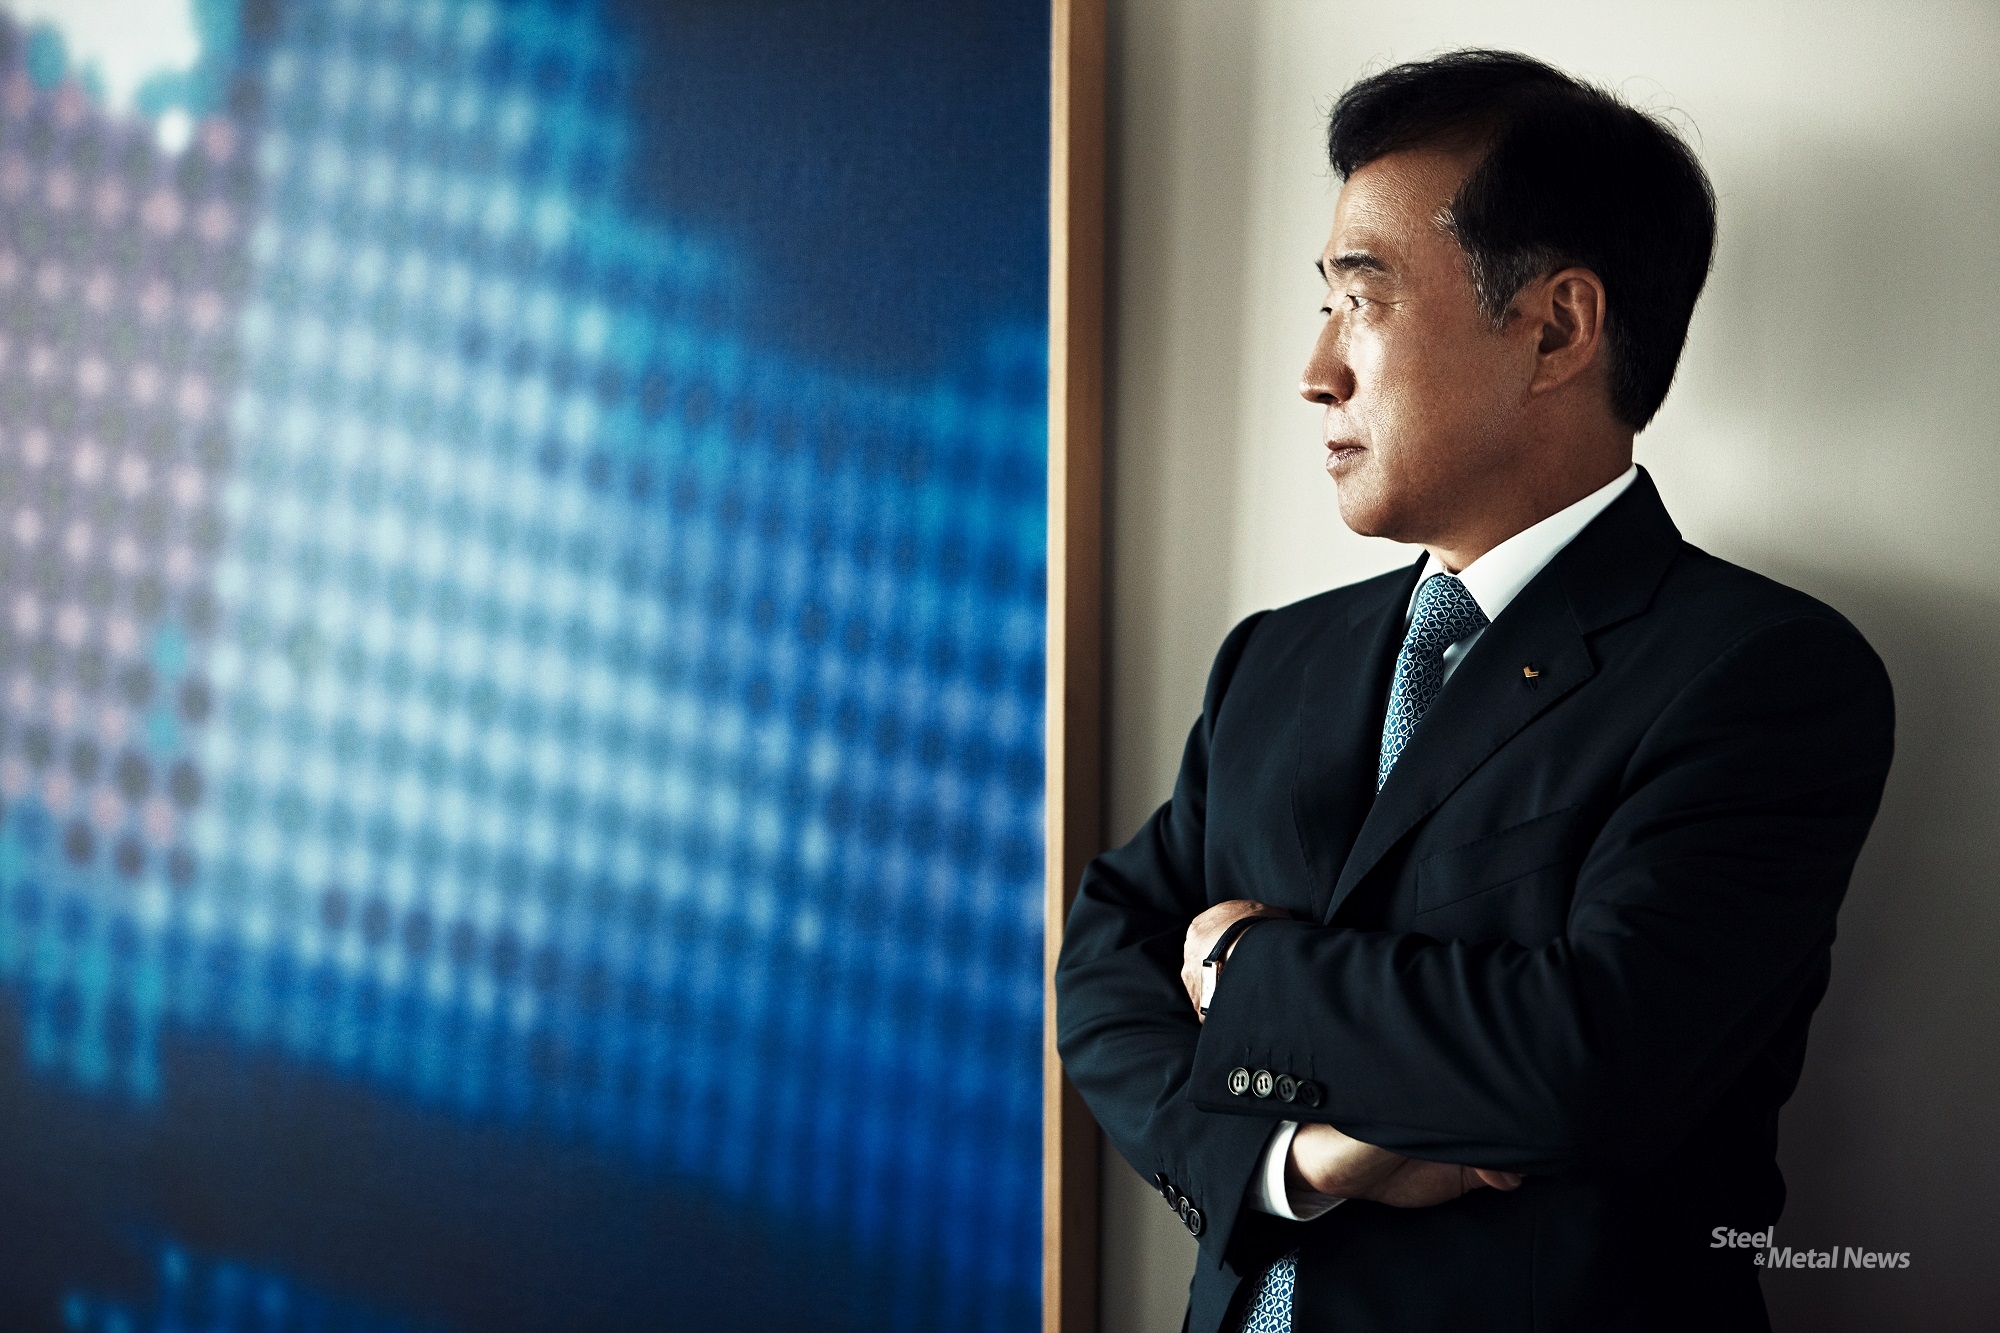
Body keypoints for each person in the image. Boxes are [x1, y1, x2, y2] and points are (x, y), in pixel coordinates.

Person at [1054, 49, 1895, 1333]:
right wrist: (1294, 1165)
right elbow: (1106, 957)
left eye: (1361, 298)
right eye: (1322, 302)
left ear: (1555, 328)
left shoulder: (1762, 674)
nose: (1314, 369)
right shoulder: (1274, 658)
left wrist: (1242, 965)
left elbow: (1580, 1058)